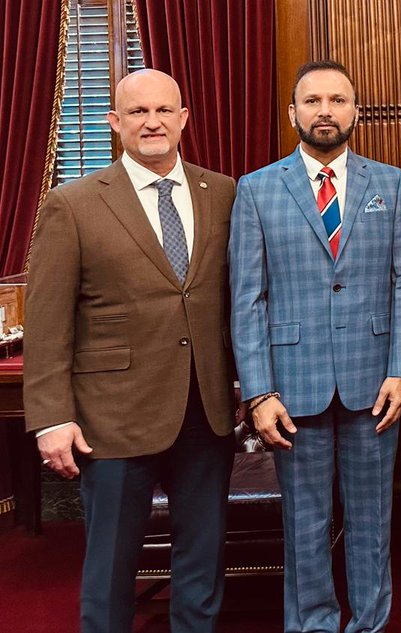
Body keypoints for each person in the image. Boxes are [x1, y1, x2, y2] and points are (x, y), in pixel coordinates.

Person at [24, 68, 236, 633]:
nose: (153, 122)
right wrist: (51, 418)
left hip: (206, 411)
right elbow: (46, 324)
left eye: (164, 110)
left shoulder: (224, 193)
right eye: (138, 112)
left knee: (203, 559)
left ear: (184, 118)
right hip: (111, 417)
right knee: (112, 565)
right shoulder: (72, 205)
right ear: (115, 123)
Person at [229, 60, 401, 633]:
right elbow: (246, 299)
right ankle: (312, 624)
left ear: (355, 111)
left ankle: (369, 624)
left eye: (338, 100)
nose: (325, 111)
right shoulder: (257, 188)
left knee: (372, 520)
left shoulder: (387, 182)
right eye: (312, 101)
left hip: (375, 385)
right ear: (293, 113)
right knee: (306, 522)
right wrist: (259, 392)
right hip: (292, 385)